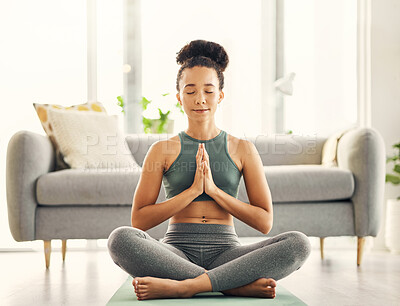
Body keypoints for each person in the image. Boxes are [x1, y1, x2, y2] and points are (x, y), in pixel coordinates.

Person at [107, 39, 311, 301]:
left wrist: (214, 191)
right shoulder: (162, 150)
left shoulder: (243, 149)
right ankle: (230, 284)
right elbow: (139, 221)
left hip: (228, 252)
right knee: (119, 239)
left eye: (208, 91)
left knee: (298, 244)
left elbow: (264, 222)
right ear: (179, 96)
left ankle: (186, 286)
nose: (200, 99)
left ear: (220, 95)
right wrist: (191, 192)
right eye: (190, 91)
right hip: (175, 252)